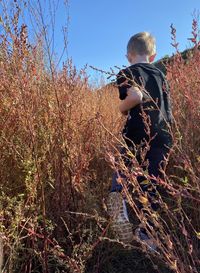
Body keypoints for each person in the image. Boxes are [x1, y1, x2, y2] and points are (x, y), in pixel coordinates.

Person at [107, 32, 173, 250]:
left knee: (122, 167)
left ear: (128, 55)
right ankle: (147, 234)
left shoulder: (127, 72)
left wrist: (121, 108)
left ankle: (118, 198)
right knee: (152, 184)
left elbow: (135, 97)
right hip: (163, 134)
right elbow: (168, 109)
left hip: (137, 132)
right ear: (153, 56)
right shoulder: (161, 75)